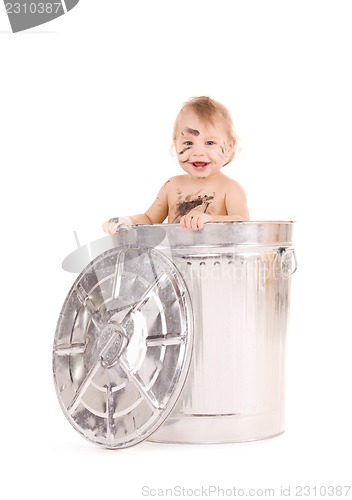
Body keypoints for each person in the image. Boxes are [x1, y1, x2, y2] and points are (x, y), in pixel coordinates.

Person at [102, 96, 249, 233]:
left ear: (229, 148)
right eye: (188, 143)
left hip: (218, 260)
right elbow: (149, 219)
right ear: (176, 145)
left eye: (210, 143)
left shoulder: (230, 188)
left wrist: (211, 219)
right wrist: (126, 221)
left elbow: (243, 224)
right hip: (172, 260)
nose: (198, 152)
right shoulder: (172, 186)